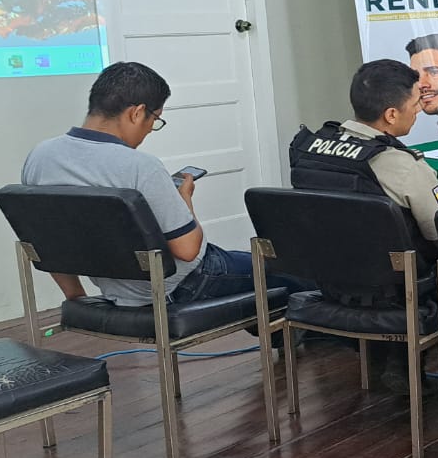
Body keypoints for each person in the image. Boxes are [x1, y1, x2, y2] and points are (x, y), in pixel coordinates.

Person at [21, 61, 306, 306]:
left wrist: (76, 298)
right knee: (294, 272)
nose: (149, 130)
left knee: (253, 272)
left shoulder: (40, 157)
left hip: (114, 286)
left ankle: (279, 333)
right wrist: (184, 200)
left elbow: (44, 240)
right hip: (182, 284)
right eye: (155, 120)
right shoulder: (140, 166)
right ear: (136, 113)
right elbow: (188, 250)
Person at [290, 59, 438, 393]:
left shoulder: (308, 149)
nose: (418, 111)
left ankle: (384, 355)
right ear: (391, 114)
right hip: (399, 292)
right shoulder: (401, 166)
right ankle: (404, 360)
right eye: (415, 104)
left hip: (330, 281)